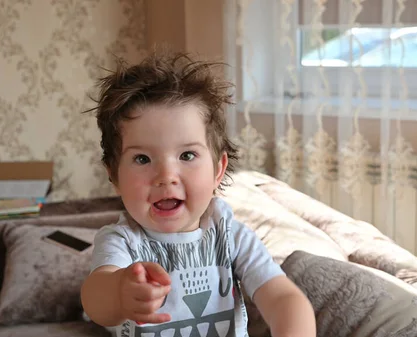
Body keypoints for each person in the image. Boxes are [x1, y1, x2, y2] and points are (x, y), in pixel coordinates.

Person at [80, 52, 316, 337]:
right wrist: (120, 292)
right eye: (142, 159)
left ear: (218, 170)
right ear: (114, 176)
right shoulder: (123, 241)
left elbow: (283, 298)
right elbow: (96, 300)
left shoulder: (230, 236)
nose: (166, 176)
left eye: (187, 155)